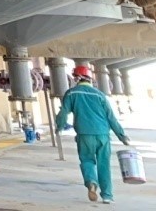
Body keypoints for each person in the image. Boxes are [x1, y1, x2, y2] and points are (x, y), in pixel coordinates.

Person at [55, 64, 131, 204]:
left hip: (84, 134)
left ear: (77, 78)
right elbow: (111, 117)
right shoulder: (100, 95)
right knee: (104, 164)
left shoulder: (71, 93)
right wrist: (122, 136)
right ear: (90, 79)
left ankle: (91, 182)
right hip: (103, 135)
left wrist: (59, 126)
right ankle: (107, 196)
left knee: (87, 160)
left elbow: (63, 113)